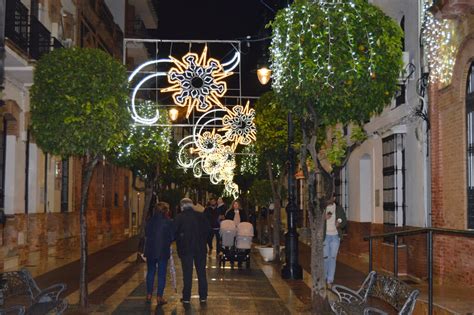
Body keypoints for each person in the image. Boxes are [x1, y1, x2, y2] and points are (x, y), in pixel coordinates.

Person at [175, 198, 211, 304]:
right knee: (201, 273)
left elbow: (174, 232)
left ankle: (186, 297)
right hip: (200, 249)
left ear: (182, 207)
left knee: (187, 273)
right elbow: (209, 230)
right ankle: (203, 296)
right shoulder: (201, 216)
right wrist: (203, 240)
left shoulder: (179, 217)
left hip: (185, 249)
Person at [144, 202, 175, 305]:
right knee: (161, 274)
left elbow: (147, 233)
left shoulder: (149, 221)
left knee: (150, 272)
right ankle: (159, 297)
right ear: (165, 211)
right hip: (162, 251)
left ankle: (148, 294)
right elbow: (172, 237)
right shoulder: (168, 222)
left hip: (150, 250)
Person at [324, 195, 347, 288]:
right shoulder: (322, 209)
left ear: (334, 198)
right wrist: (323, 218)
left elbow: (344, 221)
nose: (329, 199)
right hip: (325, 236)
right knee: (325, 258)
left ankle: (330, 280)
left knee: (332, 258)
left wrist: (339, 224)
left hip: (335, 237)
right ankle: (324, 278)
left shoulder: (339, 209)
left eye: (331, 197)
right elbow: (316, 222)